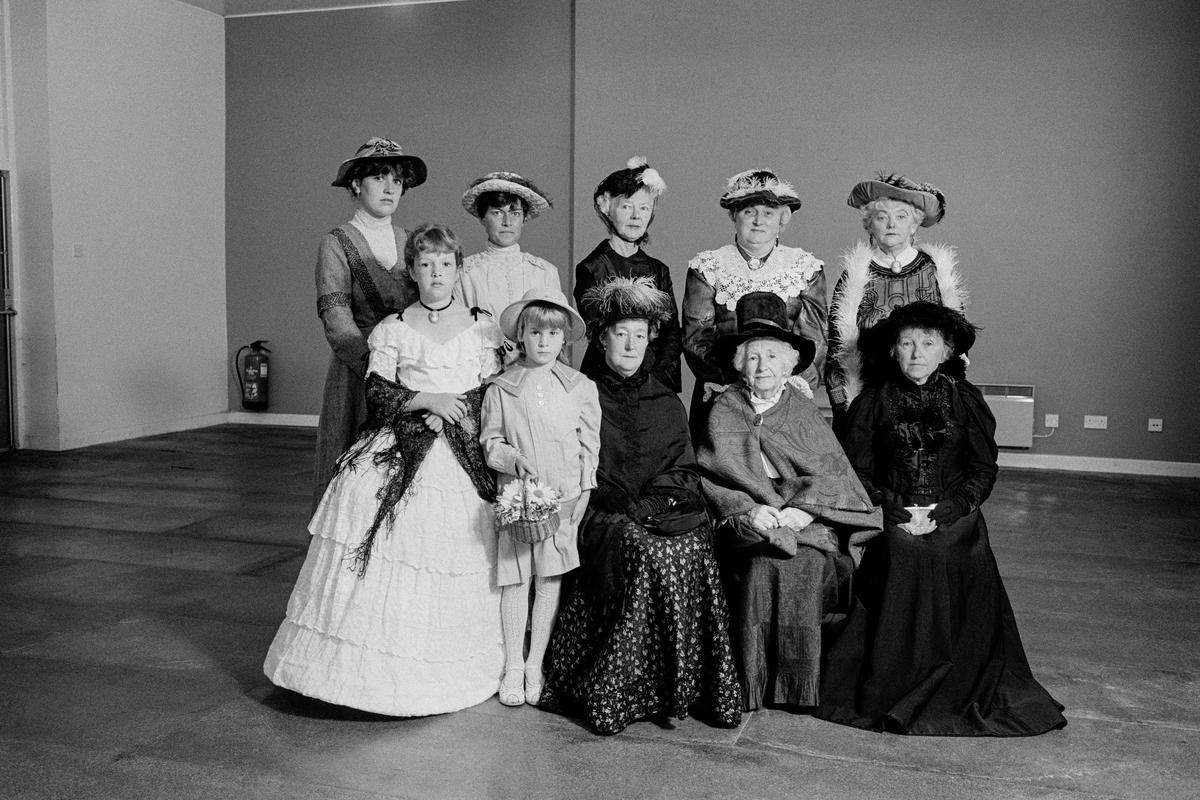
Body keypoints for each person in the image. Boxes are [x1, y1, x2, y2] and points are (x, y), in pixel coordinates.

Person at [265, 223, 505, 716]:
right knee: (363, 501)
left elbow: (492, 389)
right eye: (425, 264)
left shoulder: (484, 326)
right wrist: (424, 400)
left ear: (459, 269)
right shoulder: (393, 328)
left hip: (461, 440)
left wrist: (452, 407)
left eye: (445, 264)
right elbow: (378, 393)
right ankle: (355, 668)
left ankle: (443, 662)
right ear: (412, 272)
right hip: (401, 436)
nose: (436, 273)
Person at [814, 302, 1067, 736]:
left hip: (953, 508)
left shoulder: (965, 400)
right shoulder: (872, 402)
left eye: (928, 343)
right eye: (907, 343)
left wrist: (954, 507)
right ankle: (894, 681)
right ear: (893, 350)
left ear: (947, 350)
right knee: (902, 552)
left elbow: (983, 469)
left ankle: (957, 679)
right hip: (892, 508)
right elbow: (856, 470)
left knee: (953, 548)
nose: (917, 353)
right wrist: (889, 506)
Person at [543, 277, 742, 735]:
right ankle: (621, 687)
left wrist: (652, 503)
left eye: (640, 334)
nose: (631, 344)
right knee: (641, 548)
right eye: (620, 334)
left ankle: (681, 687)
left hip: (662, 508)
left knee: (692, 546)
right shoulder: (580, 392)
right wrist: (618, 501)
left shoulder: (665, 400)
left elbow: (682, 467)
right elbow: (572, 461)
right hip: (599, 512)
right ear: (602, 337)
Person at [695, 292, 882, 712]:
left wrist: (804, 509)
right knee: (761, 568)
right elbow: (709, 474)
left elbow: (833, 474)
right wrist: (746, 508)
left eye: (773, 357)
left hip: (804, 516)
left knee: (808, 565)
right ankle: (753, 684)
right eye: (754, 357)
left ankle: (797, 687)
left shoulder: (802, 408)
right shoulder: (724, 407)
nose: (763, 367)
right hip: (750, 518)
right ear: (740, 363)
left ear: (789, 364)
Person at [480, 288, 600, 707]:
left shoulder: (580, 386)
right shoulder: (502, 388)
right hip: (519, 501)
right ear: (522, 335)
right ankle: (513, 663)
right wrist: (513, 459)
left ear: (564, 338)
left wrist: (583, 495)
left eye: (553, 334)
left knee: (550, 579)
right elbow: (490, 441)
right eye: (535, 332)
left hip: (563, 500)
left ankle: (536, 663)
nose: (544, 341)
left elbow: (589, 447)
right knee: (516, 580)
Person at [312, 137, 425, 509]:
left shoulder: (410, 242)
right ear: (356, 185)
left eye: (396, 179)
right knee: (355, 469)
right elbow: (337, 319)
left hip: (408, 369)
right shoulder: (337, 242)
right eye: (379, 177)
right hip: (358, 373)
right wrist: (373, 366)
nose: (390, 187)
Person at [682, 169, 827, 434]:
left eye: (769, 213)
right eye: (749, 211)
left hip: (786, 399)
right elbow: (696, 339)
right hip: (722, 394)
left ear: (782, 220)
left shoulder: (804, 267)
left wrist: (778, 392)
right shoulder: (708, 266)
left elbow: (816, 341)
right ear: (733, 215)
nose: (759, 220)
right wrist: (738, 387)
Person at [825, 172, 967, 436]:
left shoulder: (934, 271)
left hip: (925, 393)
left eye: (901, 217)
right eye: (881, 217)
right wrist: (843, 405)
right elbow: (837, 344)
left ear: (914, 225)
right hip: (869, 393)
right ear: (870, 225)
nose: (891, 224)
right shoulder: (855, 274)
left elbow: (953, 340)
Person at [573, 157, 682, 392]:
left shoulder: (658, 269)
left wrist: (657, 382)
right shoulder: (591, 268)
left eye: (644, 208)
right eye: (626, 206)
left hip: (655, 383)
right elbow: (601, 335)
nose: (636, 217)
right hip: (606, 383)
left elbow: (671, 335)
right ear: (606, 208)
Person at [456, 172, 561, 365]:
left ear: (524, 219)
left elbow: (554, 331)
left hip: (533, 372)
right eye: (497, 213)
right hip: (479, 374)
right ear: (482, 218)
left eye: (515, 213)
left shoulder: (545, 272)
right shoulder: (464, 272)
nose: (507, 222)